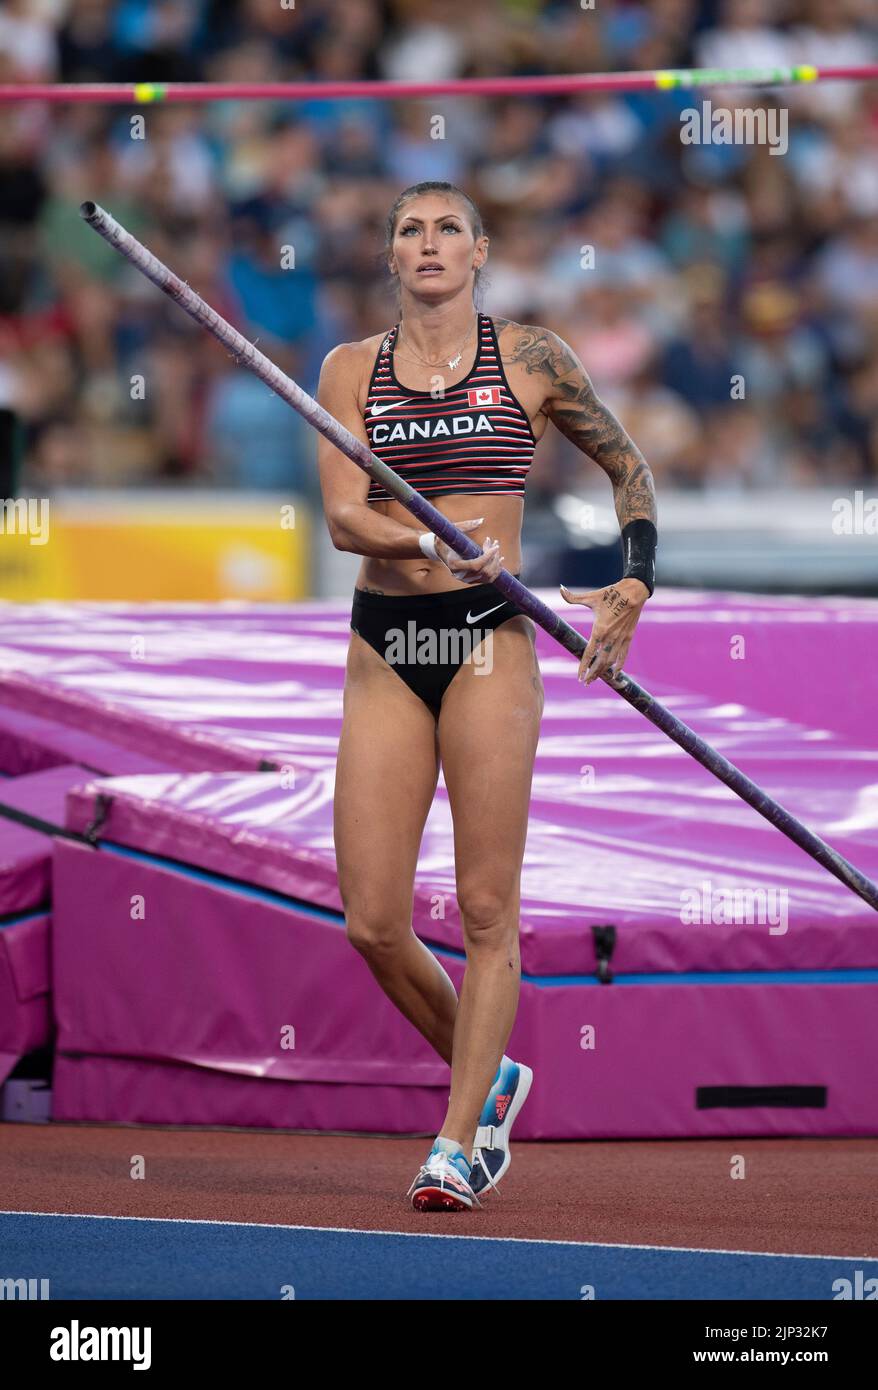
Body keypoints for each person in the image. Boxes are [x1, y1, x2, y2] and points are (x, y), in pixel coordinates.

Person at [317, 181, 657, 1212]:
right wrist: (426, 542)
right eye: (409, 230)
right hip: (389, 638)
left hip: (486, 643)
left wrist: (634, 580)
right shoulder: (348, 369)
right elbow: (343, 518)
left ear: (479, 250)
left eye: (447, 229)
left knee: (484, 906)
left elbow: (629, 470)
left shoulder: (532, 358)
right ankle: (492, 1074)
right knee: (373, 922)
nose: (428, 243)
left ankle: (457, 1142)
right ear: (390, 254)